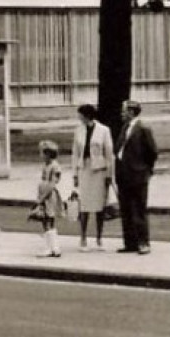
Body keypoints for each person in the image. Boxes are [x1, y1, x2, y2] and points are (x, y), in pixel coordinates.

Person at [69, 102, 114, 251]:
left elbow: (109, 154)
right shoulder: (78, 130)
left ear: (87, 115)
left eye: (81, 115)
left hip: (99, 170)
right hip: (84, 169)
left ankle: (99, 238)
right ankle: (83, 237)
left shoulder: (103, 130)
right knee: (84, 205)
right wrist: (74, 173)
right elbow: (75, 153)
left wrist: (109, 174)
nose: (79, 117)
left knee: (100, 205)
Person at [114, 99, 157, 254]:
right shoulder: (125, 127)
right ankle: (130, 242)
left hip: (138, 174)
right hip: (123, 174)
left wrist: (146, 169)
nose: (122, 113)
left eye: (124, 111)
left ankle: (143, 242)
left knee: (138, 209)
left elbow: (152, 152)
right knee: (125, 210)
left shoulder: (143, 129)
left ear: (131, 112)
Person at [31, 140, 65, 258]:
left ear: (48, 154)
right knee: (45, 221)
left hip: (49, 196)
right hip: (44, 193)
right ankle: (53, 247)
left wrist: (41, 198)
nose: (40, 155)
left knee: (48, 220)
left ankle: (52, 247)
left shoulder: (54, 167)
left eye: (42, 153)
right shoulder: (45, 166)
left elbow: (52, 184)